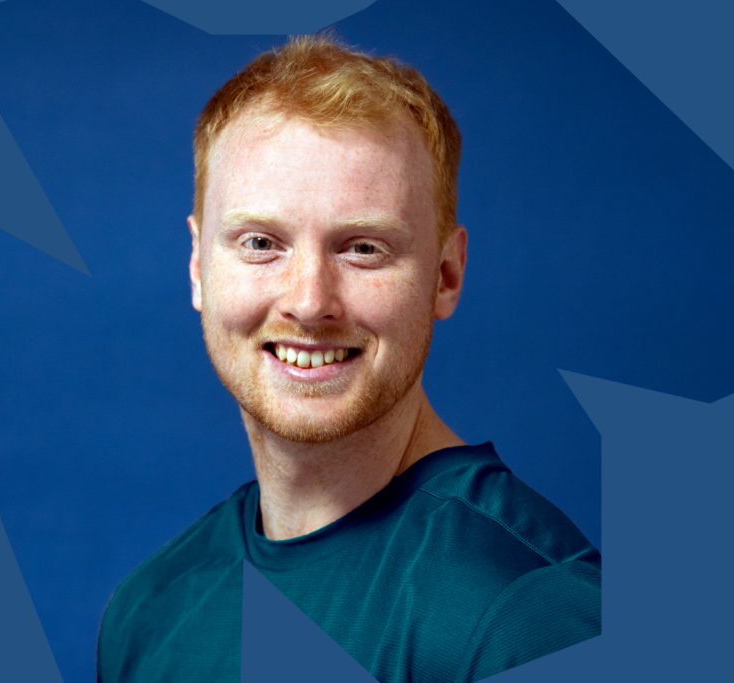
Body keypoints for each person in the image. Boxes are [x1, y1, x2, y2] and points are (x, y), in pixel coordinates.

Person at [96, 34, 600, 683]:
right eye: (260, 243)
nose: (309, 302)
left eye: (363, 248)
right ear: (198, 265)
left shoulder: (531, 618)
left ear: (446, 275)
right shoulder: (149, 611)